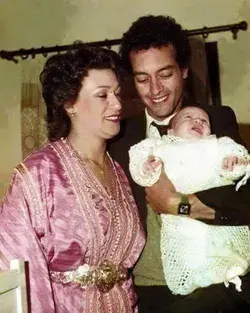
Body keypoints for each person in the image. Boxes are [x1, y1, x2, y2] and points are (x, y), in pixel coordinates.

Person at [109, 15, 250, 313]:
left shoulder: (214, 120)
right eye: (142, 78)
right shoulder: (119, 137)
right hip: (146, 289)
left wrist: (177, 204)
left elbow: (244, 201)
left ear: (184, 70)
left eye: (165, 73)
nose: (155, 89)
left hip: (212, 284)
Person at [0, 47, 145, 313]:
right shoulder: (38, 173)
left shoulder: (120, 171)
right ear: (70, 104)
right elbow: (17, 271)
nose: (117, 105)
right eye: (102, 95)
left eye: (116, 93)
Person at [129, 105, 250, 296]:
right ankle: (195, 276)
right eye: (188, 118)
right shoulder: (160, 146)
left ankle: (229, 268)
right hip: (179, 224)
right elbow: (139, 161)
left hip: (211, 213)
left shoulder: (218, 144)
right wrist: (146, 167)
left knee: (223, 243)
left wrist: (233, 163)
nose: (198, 122)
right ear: (170, 131)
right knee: (188, 246)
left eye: (204, 121)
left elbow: (239, 160)